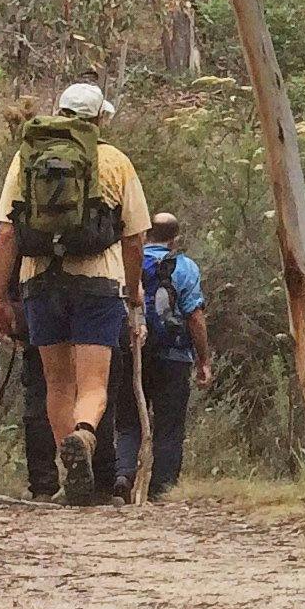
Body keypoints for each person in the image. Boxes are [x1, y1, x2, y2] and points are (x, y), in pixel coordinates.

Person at [0, 81, 147, 505]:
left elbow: (6, 234)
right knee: (93, 385)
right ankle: (85, 435)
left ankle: (69, 475)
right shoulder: (114, 161)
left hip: (39, 282)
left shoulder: (27, 160)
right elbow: (134, 238)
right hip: (98, 282)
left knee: (56, 385)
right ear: (99, 118)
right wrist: (134, 292)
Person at [121, 210, 213, 500]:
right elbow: (194, 316)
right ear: (175, 239)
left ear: (146, 234)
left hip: (131, 350)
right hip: (174, 356)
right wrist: (203, 359)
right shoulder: (185, 267)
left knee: (126, 421)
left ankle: (122, 475)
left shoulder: (127, 261)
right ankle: (162, 489)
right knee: (170, 424)